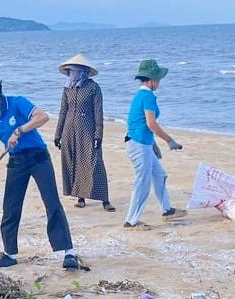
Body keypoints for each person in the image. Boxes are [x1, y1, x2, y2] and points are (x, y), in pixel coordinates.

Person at [0, 75, 80, 270]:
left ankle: (68, 251)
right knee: (10, 207)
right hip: (16, 161)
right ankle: (9, 253)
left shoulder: (17, 103)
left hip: (38, 157)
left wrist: (19, 131)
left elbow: (42, 117)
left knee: (51, 203)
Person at [123, 59, 186, 229]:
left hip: (142, 142)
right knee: (142, 182)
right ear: (151, 80)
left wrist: (152, 145)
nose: (159, 82)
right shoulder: (148, 96)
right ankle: (131, 221)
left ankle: (167, 210)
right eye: (158, 79)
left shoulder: (141, 96)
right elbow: (151, 123)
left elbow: (139, 123)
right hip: (138, 144)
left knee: (160, 175)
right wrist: (169, 141)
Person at [54, 53, 114, 212]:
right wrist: (57, 134)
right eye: (69, 71)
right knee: (74, 162)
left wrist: (98, 135)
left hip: (87, 129)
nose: (70, 74)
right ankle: (80, 197)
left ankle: (105, 199)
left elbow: (98, 113)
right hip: (69, 130)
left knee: (94, 163)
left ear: (81, 71)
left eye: (72, 71)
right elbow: (63, 111)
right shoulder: (67, 88)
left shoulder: (93, 88)